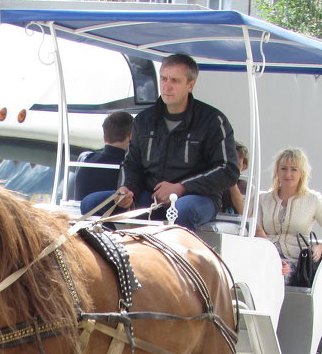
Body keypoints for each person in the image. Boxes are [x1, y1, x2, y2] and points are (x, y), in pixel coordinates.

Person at [84, 53, 240, 229]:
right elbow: (132, 164)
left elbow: (229, 170)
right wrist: (126, 189)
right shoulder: (144, 120)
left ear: (191, 84)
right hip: (151, 197)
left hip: (198, 198)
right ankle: (112, 254)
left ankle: (179, 257)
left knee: (182, 209)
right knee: (91, 203)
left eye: (175, 80)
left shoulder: (212, 120)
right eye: (164, 79)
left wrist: (181, 188)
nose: (167, 86)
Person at [256, 148, 322, 283]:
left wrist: (321, 247)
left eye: (294, 169)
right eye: (283, 168)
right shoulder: (263, 199)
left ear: (302, 173)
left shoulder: (313, 200)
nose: (288, 174)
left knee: (277, 276)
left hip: (296, 262)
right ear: (277, 171)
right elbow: (255, 231)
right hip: (265, 256)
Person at [74, 111, 134, 211]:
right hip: (110, 222)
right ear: (131, 136)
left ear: (104, 136)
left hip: (82, 219)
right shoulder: (128, 166)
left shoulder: (86, 160)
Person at [221, 142, 249, 215]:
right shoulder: (211, 182)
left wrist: (232, 182)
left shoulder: (246, 187)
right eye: (228, 164)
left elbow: (244, 213)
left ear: (244, 166)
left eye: (237, 165)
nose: (232, 168)